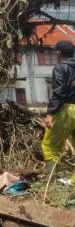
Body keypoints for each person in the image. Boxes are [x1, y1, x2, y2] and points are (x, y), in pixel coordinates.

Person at [42, 40, 75, 174]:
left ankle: (52, 185)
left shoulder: (61, 68)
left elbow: (59, 92)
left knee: (50, 146)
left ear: (59, 53)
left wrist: (50, 114)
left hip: (67, 109)